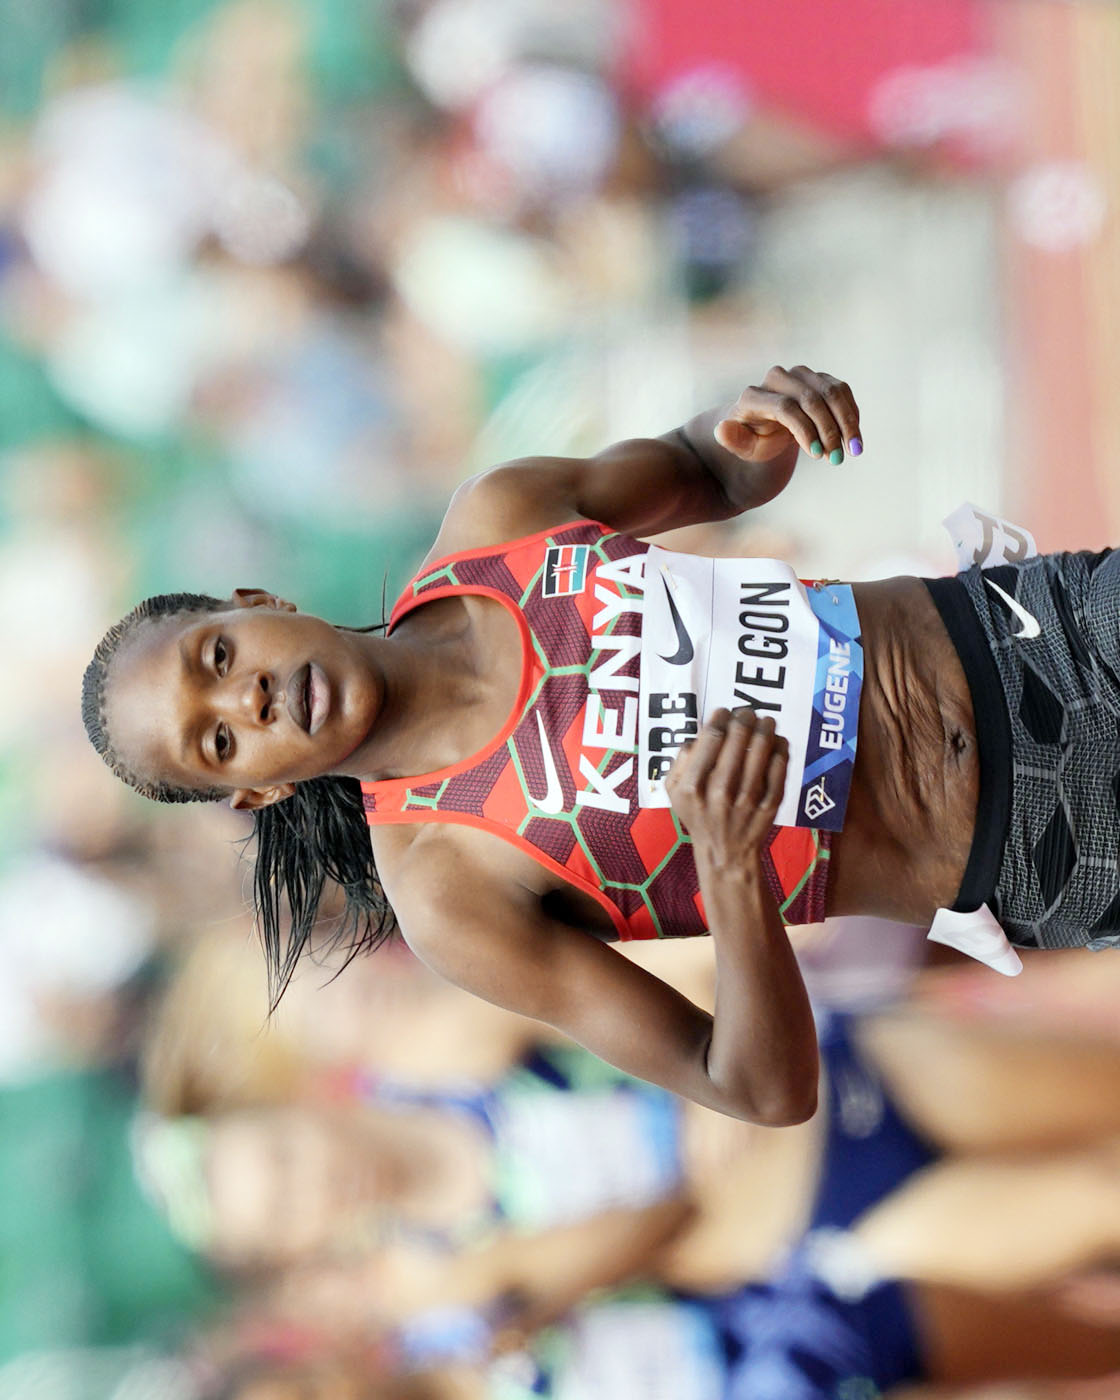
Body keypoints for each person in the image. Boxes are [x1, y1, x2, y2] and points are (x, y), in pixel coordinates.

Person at [82, 364, 1120, 1122]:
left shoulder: (500, 520)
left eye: (219, 655)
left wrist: (757, 424)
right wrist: (731, 869)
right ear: (256, 792)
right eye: (219, 741)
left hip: (1043, 627)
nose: (251, 698)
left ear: (260, 601)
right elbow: (756, 1087)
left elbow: (706, 469)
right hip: (1045, 846)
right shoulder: (449, 891)